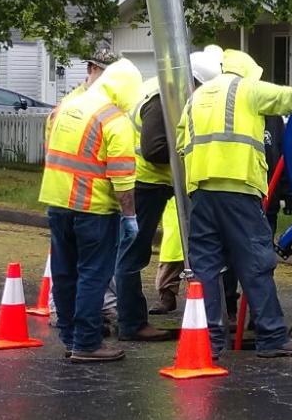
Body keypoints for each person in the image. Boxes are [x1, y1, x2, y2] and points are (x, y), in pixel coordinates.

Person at [178, 49, 292, 358]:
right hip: (238, 187)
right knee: (256, 261)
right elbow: (291, 97)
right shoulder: (246, 88)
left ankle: (209, 342)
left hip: (200, 191)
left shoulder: (194, 98)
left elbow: (180, 142)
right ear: (249, 70)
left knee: (206, 266)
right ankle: (272, 336)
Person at [112, 45, 223, 341]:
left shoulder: (168, 91)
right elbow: (154, 149)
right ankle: (131, 324)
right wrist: (194, 153)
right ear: (193, 82)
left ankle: (132, 319)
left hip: (156, 181)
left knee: (134, 251)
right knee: (133, 254)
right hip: (145, 182)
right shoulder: (162, 100)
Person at [39, 50, 143, 362]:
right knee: (92, 276)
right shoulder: (114, 119)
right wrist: (130, 216)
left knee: (64, 272)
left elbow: (50, 149)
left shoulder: (65, 106)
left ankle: (71, 339)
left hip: (57, 202)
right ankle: (87, 343)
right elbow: (123, 178)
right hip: (93, 208)